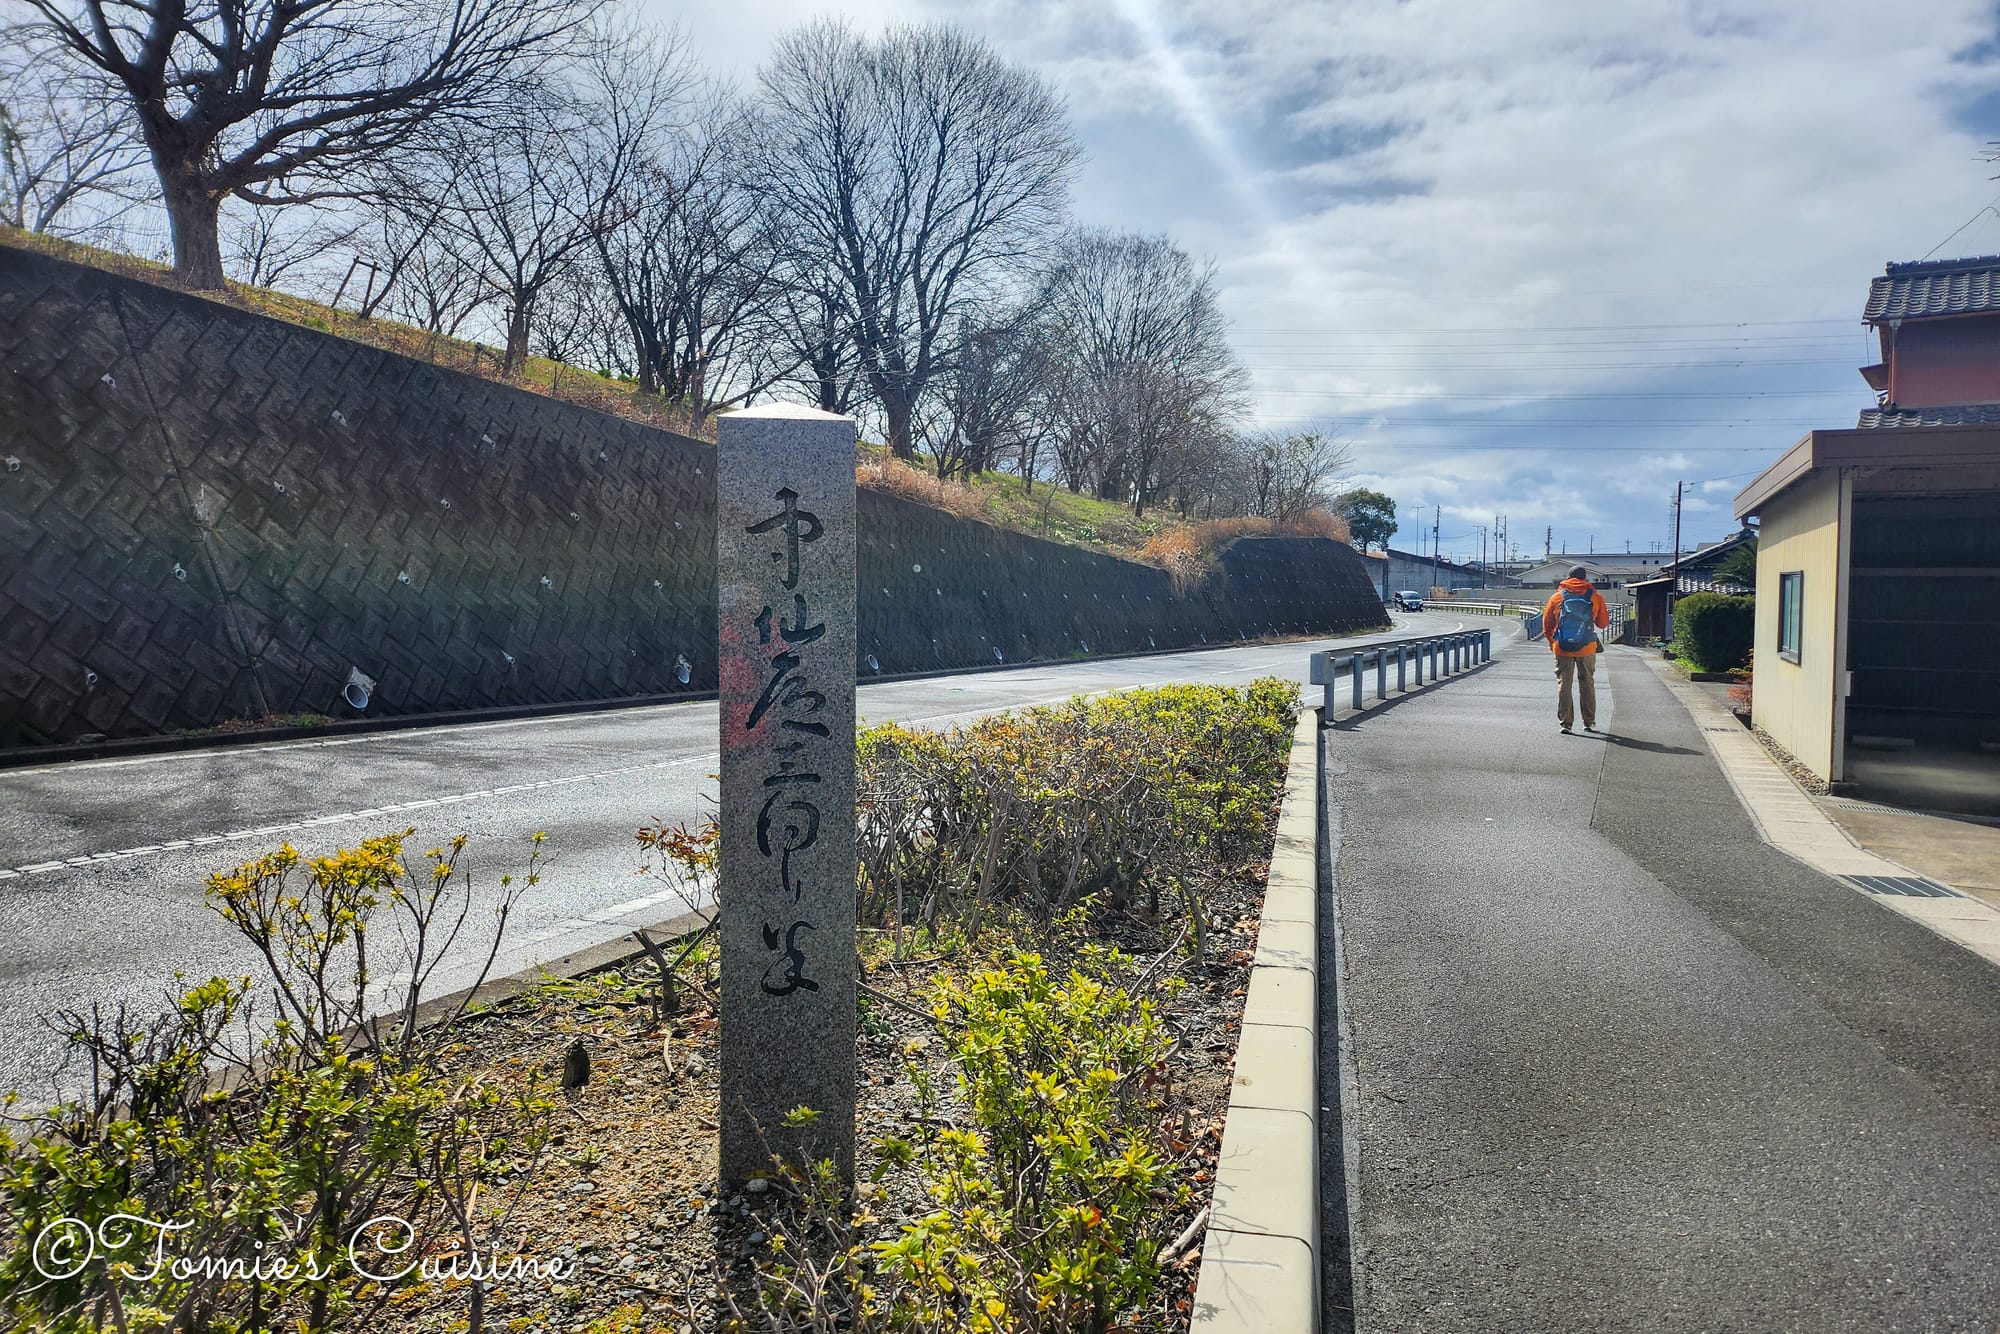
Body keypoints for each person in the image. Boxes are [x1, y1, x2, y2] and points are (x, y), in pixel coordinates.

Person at [1542, 565, 1609, 734]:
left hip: (1562, 647)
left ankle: (1566, 723)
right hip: (1587, 647)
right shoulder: (1595, 596)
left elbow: (1547, 625)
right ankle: (1588, 722)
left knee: (1564, 683)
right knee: (1587, 682)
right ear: (1585, 578)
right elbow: (1603, 623)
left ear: (1567, 578)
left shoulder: (1557, 597)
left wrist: (1552, 642)